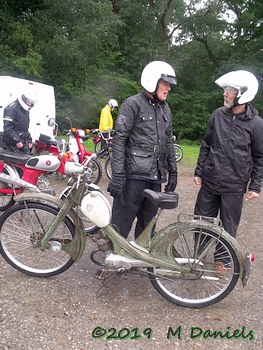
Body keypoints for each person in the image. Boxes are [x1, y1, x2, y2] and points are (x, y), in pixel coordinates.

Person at [193, 70, 263, 274]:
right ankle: (197, 255)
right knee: (201, 221)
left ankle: (221, 262)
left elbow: (259, 157)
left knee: (227, 227)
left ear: (243, 94)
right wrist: (199, 171)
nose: (225, 94)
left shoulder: (256, 125)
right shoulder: (218, 115)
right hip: (210, 181)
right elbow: (206, 144)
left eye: (230, 91)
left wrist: (255, 185)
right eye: (226, 90)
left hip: (234, 186)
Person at [107, 60, 178, 239]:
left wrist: (173, 171)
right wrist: (117, 175)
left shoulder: (165, 109)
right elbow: (119, 139)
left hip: (155, 177)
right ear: (152, 81)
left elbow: (168, 141)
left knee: (148, 227)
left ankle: (141, 261)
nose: (168, 88)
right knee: (120, 223)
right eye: (165, 83)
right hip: (133, 176)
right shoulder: (132, 104)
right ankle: (114, 260)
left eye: (169, 85)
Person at [3, 86, 36, 154]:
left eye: (31, 102)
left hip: (22, 143)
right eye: (28, 102)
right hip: (11, 144)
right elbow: (8, 129)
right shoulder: (11, 109)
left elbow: (25, 129)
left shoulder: (25, 110)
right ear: (24, 98)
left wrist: (29, 140)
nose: (30, 104)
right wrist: (17, 141)